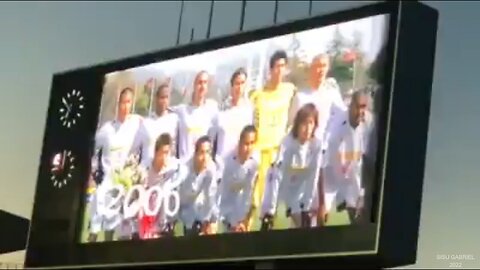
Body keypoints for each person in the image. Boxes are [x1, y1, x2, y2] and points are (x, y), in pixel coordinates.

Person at [248, 50, 296, 230]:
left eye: (283, 66)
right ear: (271, 69)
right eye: (277, 66)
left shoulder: (290, 90)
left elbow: (293, 117)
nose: (280, 70)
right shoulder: (258, 95)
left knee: (275, 202)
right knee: (253, 201)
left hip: (279, 153)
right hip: (260, 152)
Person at [88, 87, 143, 242]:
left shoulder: (136, 126)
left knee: (119, 233)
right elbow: (92, 151)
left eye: (129, 102)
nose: (126, 106)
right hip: (106, 186)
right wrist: (94, 171)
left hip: (124, 188)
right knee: (95, 230)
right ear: (118, 104)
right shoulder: (106, 130)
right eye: (123, 102)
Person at [261, 104, 325, 229]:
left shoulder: (317, 145)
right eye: (304, 124)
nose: (307, 128)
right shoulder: (287, 143)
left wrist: (306, 206)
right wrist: (271, 210)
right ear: (297, 125)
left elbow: (314, 176)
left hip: (298, 188)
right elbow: (277, 177)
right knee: (267, 223)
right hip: (280, 185)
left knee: (304, 225)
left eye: (311, 123)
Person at [320, 90, 371, 224]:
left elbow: (368, 163)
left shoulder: (369, 125)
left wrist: (363, 193)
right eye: (358, 106)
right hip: (332, 176)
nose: (361, 111)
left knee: (360, 223)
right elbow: (323, 165)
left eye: (364, 107)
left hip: (357, 183)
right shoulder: (335, 128)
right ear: (350, 105)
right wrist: (322, 202)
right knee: (319, 219)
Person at [137, 133, 187, 239]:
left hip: (165, 212)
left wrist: (173, 183)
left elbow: (185, 172)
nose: (165, 156)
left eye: (168, 153)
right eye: (163, 153)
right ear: (156, 152)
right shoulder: (146, 166)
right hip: (148, 210)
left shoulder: (175, 166)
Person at [288, 53, 346, 141]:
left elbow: (344, 119)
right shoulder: (301, 97)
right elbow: (292, 125)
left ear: (328, 69)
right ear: (311, 69)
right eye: (318, 66)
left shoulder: (333, 95)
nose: (321, 70)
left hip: (326, 149)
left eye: (324, 66)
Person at [219, 125, 259, 233]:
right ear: (240, 142)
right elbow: (221, 193)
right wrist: (230, 222)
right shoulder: (226, 162)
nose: (249, 148)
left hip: (241, 206)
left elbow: (249, 192)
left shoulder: (254, 162)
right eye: (246, 143)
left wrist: (243, 220)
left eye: (252, 143)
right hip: (224, 208)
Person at [209, 68, 254, 160]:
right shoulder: (221, 112)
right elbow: (211, 141)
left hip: (239, 163)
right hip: (221, 163)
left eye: (242, 83)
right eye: (237, 83)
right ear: (232, 86)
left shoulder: (249, 111)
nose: (240, 87)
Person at [178, 136, 219, 236]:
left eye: (208, 152)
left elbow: (211, 196)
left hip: (203, 213)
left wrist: (212, 220)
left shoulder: (211, 168)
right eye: (202, 152)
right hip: (187, 213)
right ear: (195, 153)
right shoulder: (184, 169)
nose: (205, 157)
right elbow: (181, 200)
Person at [175, 70, 219, 162]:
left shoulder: (213, 109)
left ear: (208, 86)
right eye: (199, 82)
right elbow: (164, 113)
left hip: (204, 166)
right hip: (185, 166)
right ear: (194, 85)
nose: (202, 86)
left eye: (205, 83)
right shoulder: (182, 110)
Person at [137, 83, 179, 167]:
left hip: (166, 171)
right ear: (156, 98)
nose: (164, 101)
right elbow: (136, 149)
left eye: (166, 98)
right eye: (162, 97)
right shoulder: (146, 123)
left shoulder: (175, 120)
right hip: (147, 170)